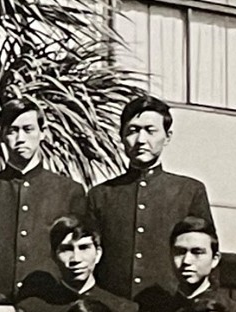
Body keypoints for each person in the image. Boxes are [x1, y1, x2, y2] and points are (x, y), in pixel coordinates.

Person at [88, 95, 214, 301]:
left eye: (150, 130)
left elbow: (206, 255)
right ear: (121, 136)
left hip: (171, 308)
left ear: (168, 136)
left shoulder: (189, 191)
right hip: (112, 309)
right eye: (133, 131)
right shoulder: (100, 195)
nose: (141, 140)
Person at [0, 98, 88, 295]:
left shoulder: (69, 191)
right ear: (1, 135)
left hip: (50, 300)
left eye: (28, 129)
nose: (20, 138)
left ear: (42, 132)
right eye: (13, 131)